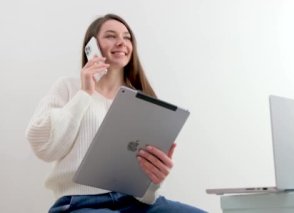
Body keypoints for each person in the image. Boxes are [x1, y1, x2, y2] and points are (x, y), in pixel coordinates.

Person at [26, 13, 206, 213]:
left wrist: (154, 180)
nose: (121, 42)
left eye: (127, 37)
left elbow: (147, 193)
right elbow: (42, 144)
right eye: (111, 36)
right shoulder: (69, 87)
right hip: (79, 202)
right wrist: (85, 93)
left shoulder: (142, 100)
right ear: (91, 46)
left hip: (135, 203)